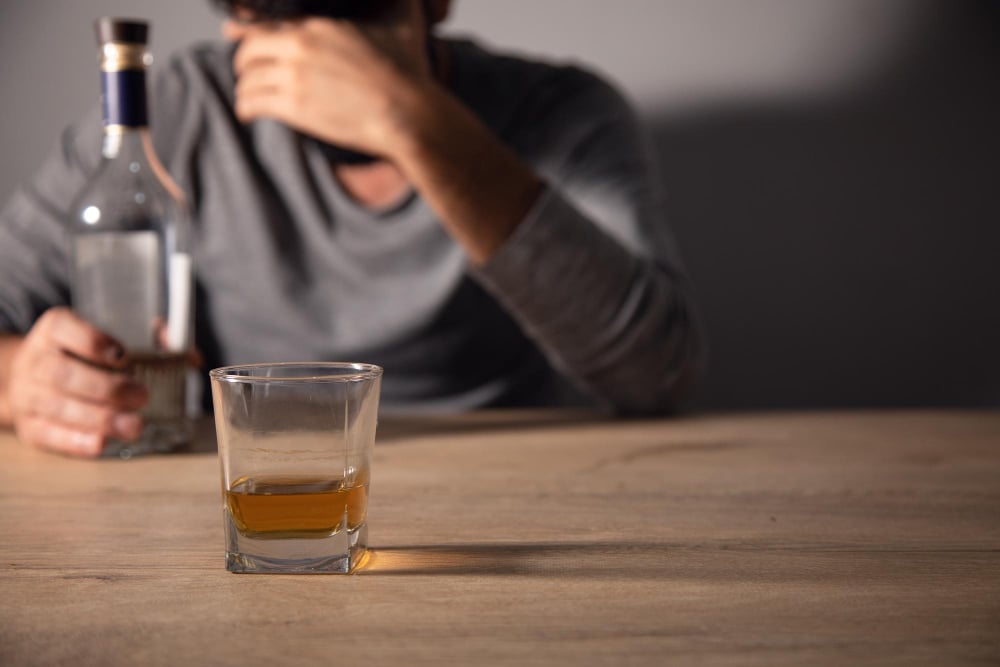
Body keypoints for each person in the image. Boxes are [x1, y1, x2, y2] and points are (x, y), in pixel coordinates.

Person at [0, 0, 703, 457]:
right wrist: (21, 379)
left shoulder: (560, 110)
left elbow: (655, 374)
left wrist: (414, 126)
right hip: (261, 489)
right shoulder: (181, 111)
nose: (322, 59)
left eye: (353, 20)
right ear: (239, 22)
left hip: (510, 487)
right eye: (289, 21)